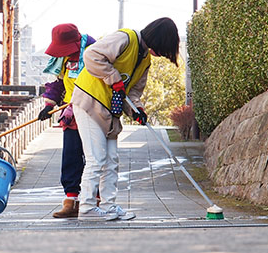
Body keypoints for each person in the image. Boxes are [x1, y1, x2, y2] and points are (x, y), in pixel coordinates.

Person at [71, 17, 180, 221]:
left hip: (111, 111)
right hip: (89, 101)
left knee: (111, 161)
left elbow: (133, 93)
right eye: (163, 48)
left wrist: (137, 110)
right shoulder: (125, 38)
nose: (161, 54)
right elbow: (91, 55)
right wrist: (113, 78)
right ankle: (86, 207)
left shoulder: (145, 60)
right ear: (157, 38)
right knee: (96, 158)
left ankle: (108, 206)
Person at [38, 23, 96, 218]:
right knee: (71, 157)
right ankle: (70, 201)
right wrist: (49, 104)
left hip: (92, 112)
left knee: (93, 158)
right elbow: (59, 82)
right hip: (71, 114)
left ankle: (94, 200)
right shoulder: (62, 59)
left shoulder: (94, 52)